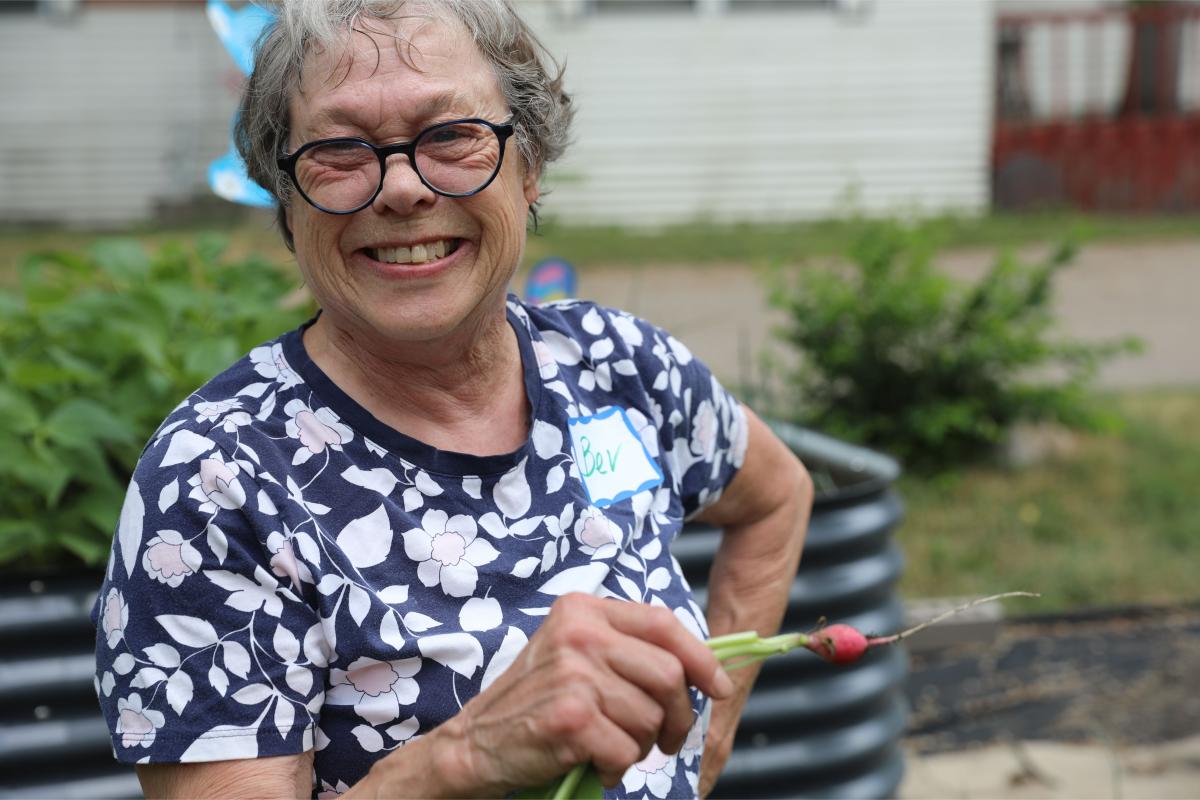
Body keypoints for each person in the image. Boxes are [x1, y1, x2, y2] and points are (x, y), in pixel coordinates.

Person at [91, 1, 812, 797]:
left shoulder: (616, 365)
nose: (401, 188)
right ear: (286, 200)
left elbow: (776, 494)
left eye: (450, 137)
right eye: (340, 151)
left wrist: (712, 727)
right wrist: (462, 755)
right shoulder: (218, 483)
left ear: (528, 164)